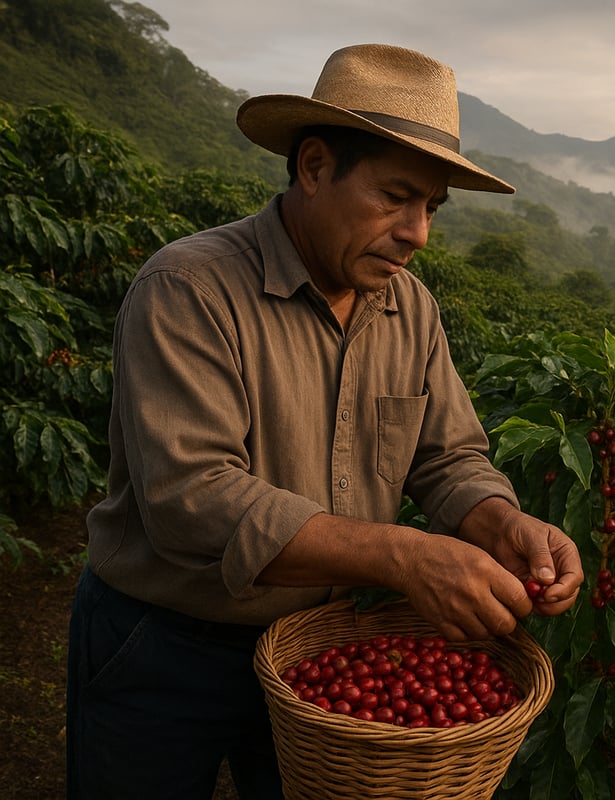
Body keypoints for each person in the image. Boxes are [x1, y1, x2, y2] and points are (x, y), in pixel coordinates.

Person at [65, 44, 584, 800]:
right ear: (313, 168)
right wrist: (406, 557)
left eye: (432, 207)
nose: (419, 233)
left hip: (320, 653)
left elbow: (447, 457)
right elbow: (191, 499)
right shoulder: (190, 289)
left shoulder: (413, 309)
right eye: (396, 196)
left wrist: (499, 520)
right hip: (163, 643)